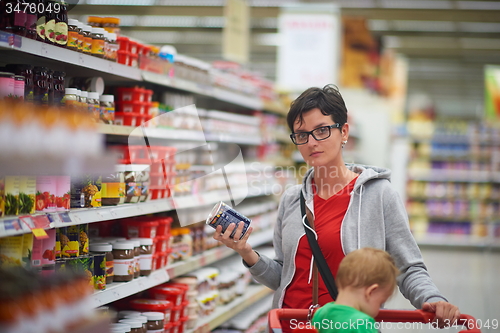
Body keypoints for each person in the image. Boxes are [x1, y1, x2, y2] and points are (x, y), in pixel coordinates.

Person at [213, 84, 460, 330]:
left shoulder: (379, 195)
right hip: (288, 326)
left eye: (321, 130)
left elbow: (408, 268)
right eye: (301, 134)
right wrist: (246, 252)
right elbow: (283, 276)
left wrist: (433, 299)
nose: (311, 142)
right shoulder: (291, 199)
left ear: (344, 132)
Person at [311, 247, 399, 333]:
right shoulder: (362, 323)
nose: (378, 310)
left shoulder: (321, 314)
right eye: (380, 302)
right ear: (370, 292)